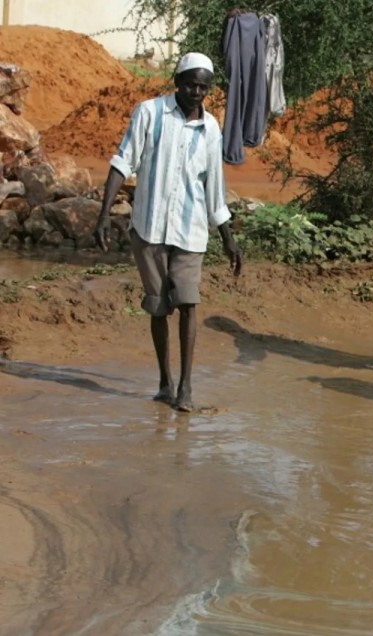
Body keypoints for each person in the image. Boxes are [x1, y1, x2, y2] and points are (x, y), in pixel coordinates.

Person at [93, 52, 242, 412]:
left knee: (189, 303)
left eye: (204, 87)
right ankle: (165, 381)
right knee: (159, 308)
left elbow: (213, 188)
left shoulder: (210, 129)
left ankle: (186, 388)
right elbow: (122, 161)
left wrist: (228, 237)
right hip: (149, 229)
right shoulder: (149, 113)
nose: (196, 92)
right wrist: (103, 214)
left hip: (190, 231)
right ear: (177, 81)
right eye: (191, 84)